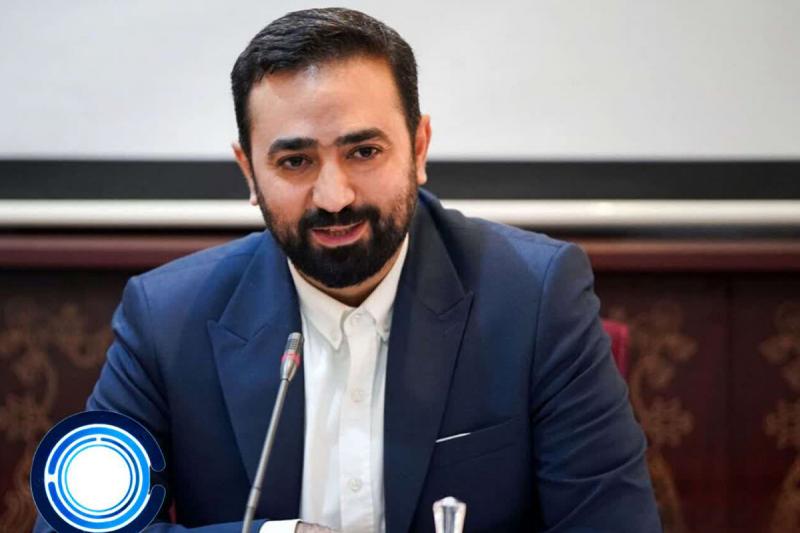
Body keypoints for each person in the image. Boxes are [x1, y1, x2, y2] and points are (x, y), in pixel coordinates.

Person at [34, 7, 660, 533]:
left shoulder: (535, 298)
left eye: (363, 151)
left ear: (418, 149)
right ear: (249, 172)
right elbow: (76, 527)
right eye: (295, 162)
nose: (334, 197)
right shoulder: (168, 319)